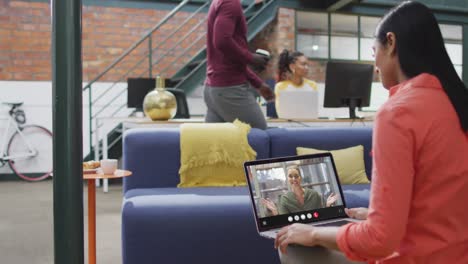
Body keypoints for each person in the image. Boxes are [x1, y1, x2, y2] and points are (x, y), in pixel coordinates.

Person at [274, 1, 468, 264]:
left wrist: (314, 234)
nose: (374, 63)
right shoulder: (455, 103)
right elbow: (442, 200)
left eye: (374, 51)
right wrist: (383, 214)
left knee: (294, 246)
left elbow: (379, 240)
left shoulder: (397, 113)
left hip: (416, 257)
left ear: (391, 42)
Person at [203, 0, 275, 130]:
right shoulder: (231, 3)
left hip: (213, 89)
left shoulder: (219, 2)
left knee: (217, 147)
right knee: (259, 138)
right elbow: (222, 41)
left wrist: (258, 83)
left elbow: (229, 59)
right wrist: (251, 58)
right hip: (230, 90)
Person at [260, 166, 338, 216]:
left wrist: (328, 206)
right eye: (290, 176)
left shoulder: (314, 194)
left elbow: (323, 216)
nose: (294, 179)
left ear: (300, 177)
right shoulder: (284, 199)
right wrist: (275, 212)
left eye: (296, 176)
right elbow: (284, 225)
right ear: (287, 179)